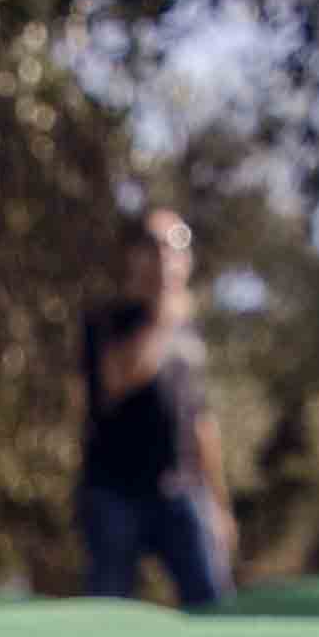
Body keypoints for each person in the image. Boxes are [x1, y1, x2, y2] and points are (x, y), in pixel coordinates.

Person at [76, 206, 234, 606]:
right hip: (115, 493)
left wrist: (218, 505)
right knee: (106, 609)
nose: (165, 255)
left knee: (214, 606)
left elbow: (201, 420)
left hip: (182, 492)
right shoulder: (108, 320)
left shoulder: (189, 331)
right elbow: (119, 380)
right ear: (133, 255)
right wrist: (163, 317)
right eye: (153, 244)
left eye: (176, 244)